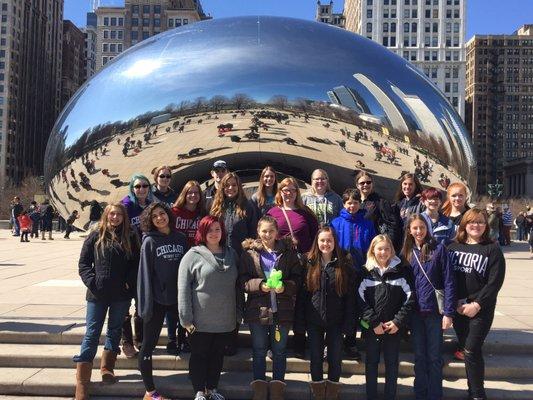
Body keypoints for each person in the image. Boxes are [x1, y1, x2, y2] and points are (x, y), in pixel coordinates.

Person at [74, 203, 140, 400]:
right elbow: (84, 263)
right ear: (106, 215)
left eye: (119, 214)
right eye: (112, 214)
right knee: (92, 332)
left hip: (121, 294)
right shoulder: (96, 235)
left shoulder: (130, 236)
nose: (115, 217)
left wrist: (128, 283)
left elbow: (136, 264)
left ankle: (107, 367)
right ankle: (82, 381)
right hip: (97, 293)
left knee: (114, 330)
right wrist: (92, 282)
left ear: (123, 217)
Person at [240, 216, 302, 400]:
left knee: (280, 351)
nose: (267, 235)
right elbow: (242, 281)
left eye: (271, 231)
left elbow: (298, 279)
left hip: (281, 310)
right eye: (264, 231)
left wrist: (286, 287)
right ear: (258, 232)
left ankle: (277, 389)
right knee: (259, 351)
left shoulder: (288, 253)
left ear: (277, 232)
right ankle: (259, 388)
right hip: (257, 310)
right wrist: (259, 285)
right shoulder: (249, 253)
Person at [178, 216, 240, 400]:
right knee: (199, 355)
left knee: (217, 356)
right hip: (200, 320)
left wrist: (238, 313)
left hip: (224, 319)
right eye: (210, 230)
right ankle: (199, 390)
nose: (214, 233)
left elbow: (238, 286)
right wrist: (185, 318)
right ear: (202, 232)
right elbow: (183, 289)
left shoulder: (231, 254)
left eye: (217, 229)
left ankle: (212, 388)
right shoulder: (192, 255)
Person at [448, 208, 506, 400]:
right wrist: (452, 303)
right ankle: (472, 389)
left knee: (472, 349)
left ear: (486, 225)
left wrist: (477, 305)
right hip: (458, 308)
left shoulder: (492, 249)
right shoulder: (452, 247)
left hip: (480, 310)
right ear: (465, 224)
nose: (476, 225)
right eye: (472, 221)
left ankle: (478, 394)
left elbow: (494, 283)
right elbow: (446, 278)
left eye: (481, 222)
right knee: (467, 350)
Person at [295, 227, 356, 400]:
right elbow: (302, 296)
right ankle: (318, 391)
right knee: (315, 358)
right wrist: (299, 323)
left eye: (329, 240)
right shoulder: (308, 262)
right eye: (322, 240)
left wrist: (349, 324)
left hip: (336, 320)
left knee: (335, 358)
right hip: (314, 320)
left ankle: (332, 392)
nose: (326, 244)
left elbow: (349, 297)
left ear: (335, 242)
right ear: (317, 242)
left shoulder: (344, 263)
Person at [401, 214, 456, 400]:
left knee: (434, 358)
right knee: (419, 356)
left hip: (434, 312)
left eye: (422, 227)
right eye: (415, 228)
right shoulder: (406, 253)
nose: (418, 231)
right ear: (409, 230)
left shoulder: (439, 249)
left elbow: (449, 281)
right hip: (415, 313)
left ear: (427, 229)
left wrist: (448, 312)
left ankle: (434, 395)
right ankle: (420, 393)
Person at [137, 202, 188, 400]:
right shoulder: (149, 241)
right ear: (150, 221)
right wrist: (145, 303)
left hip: (179, 299)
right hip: (157, 300)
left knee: (189, 341)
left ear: (168, 215)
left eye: (162, 214)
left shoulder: (181, 238)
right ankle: (150, 391)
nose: (160, 218)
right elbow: (145, 274)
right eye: (155, 216)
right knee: (148, 344)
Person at [266, 177, 319, 358]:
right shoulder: (273, 212)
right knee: (279, 302)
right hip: (280, 264)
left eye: (292, 190)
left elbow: (315, 240)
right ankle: (275, 342)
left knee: (301, 302)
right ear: (280, 192)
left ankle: (299, 340)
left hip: (303, 265)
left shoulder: (307, 214)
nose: (288, 193)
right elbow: (264, 236)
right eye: (284, 190)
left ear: (297, 192)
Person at [358, 234, 415, 400]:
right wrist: (373, 322)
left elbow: (410, 298)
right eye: (379, 248)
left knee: (391, 363)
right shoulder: (365, 272)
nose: (383, 252)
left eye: (387, 248)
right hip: (372, 328)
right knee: (371, 363)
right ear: (373, 250)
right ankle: (371, 395)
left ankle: (390, 395)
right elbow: (360, 300)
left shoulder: (402, 271)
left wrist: (398, 322)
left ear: (392, 250)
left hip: (393, 328)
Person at [330, 188, 375, 360]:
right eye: (349, 203)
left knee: (353, 308)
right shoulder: (335, 223)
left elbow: (372, 247)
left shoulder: (367, 223)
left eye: (355, 203)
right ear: (344, 204)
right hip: (340, 271)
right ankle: (333, 342)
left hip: (360, 271)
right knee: (337, 307)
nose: (352, 206)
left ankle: (350, 342)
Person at [168, 180, 205, 354]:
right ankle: (173, 338)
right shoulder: (174, 213)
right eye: (190, 192)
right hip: (176, 260)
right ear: (184, 194)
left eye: (196, 193)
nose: (193, 196)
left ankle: (187, 337)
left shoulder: (202, 213)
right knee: (177, 302)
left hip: (196, 262)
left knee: (192, 302)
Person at [121, 174, 153, 357]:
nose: (141, 189)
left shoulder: (149, 206)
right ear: (132, 188)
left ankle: (139, 339)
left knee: (142, 303)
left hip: (144, 261)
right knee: (124, 303)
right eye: (138, 186)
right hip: (128, 260)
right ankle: (126, 341)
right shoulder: (126, 206)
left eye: (145, 186)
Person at [355, 171, 402, 252]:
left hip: (375, 247)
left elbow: (392, 225)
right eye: (362, 183)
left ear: (372, 184)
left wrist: (387, 246)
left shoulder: (381, 202)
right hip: (357, 245)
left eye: (368, 182)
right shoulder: (354, 202)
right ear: (357, 185)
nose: (365, 185)